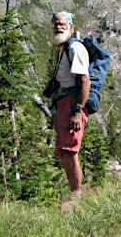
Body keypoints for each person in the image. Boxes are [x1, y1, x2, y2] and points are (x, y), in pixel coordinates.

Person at [48, 11, 91, 195]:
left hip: (73, 103)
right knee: (64, 151)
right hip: (64, 101)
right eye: (56, 24)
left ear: (71, 27)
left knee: (71, 151)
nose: (58, 27)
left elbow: (85, 81)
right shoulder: (64, 48)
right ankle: (74, 193)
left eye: (62, 24)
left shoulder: (75, 48)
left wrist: (78, 111)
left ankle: (76, 197)